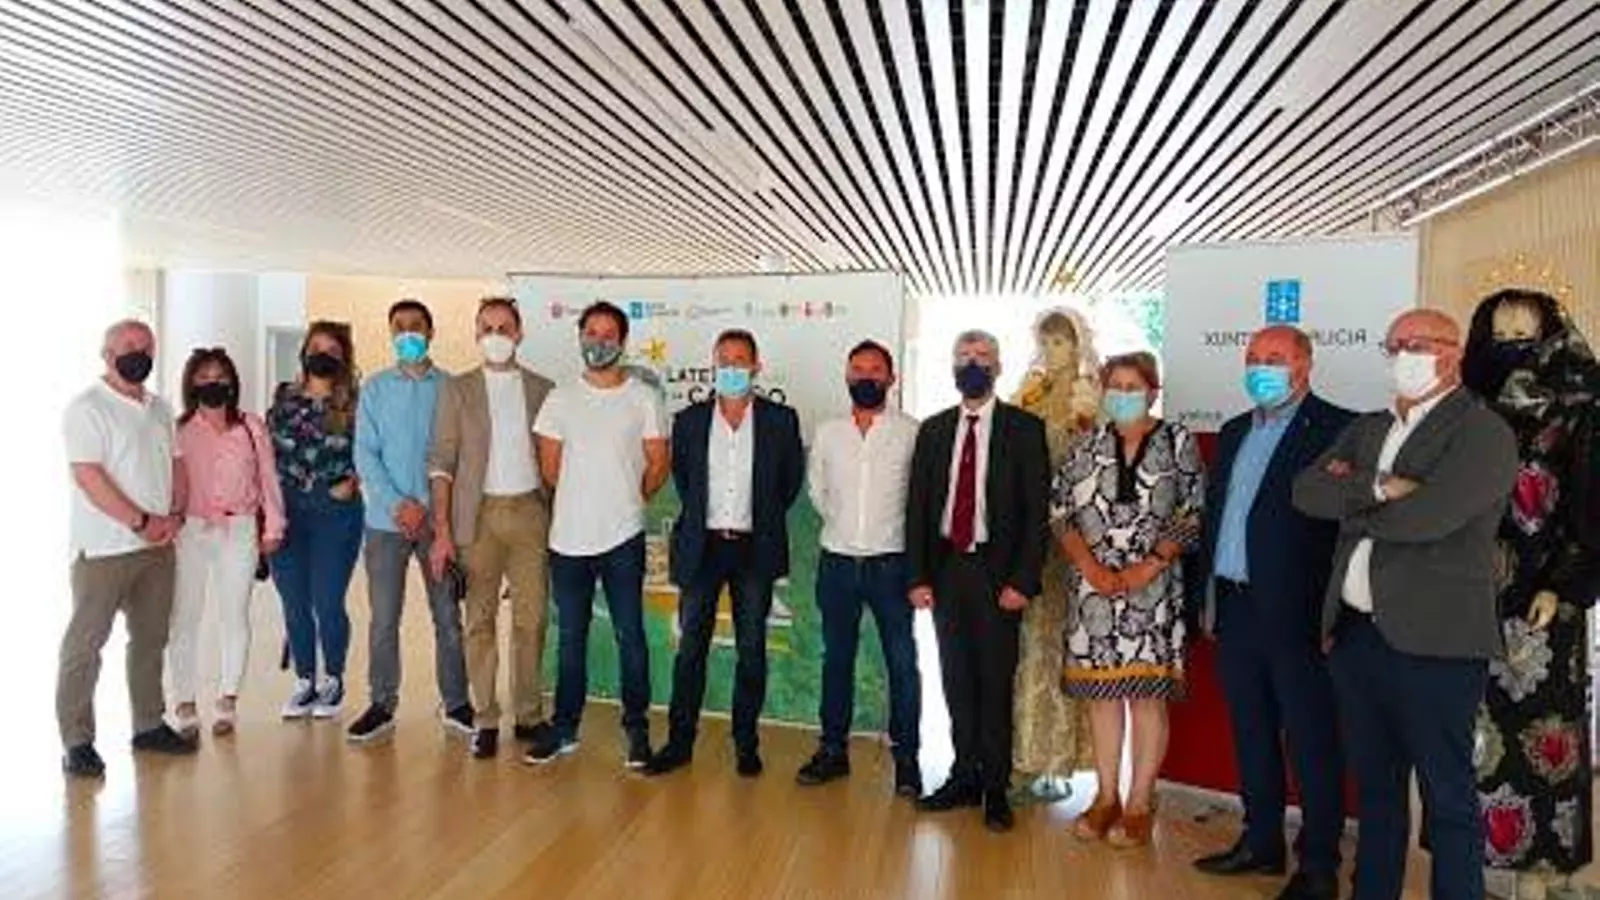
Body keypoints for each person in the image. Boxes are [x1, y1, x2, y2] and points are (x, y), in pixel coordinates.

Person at [1293, 308, 1517, 900]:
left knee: (1448, 798)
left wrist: (1354, 502)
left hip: (1437, 644)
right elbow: (1308, 492)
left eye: (1415, 344)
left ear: (1452, 353)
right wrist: (1379, 485)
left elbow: (1430, 519)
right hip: (1357, 637)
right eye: (1393, 346)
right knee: (1375, 793)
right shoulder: (1369, 428)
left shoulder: (1482, 432)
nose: (1401, 356)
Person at [1192, 327, 1353, 900]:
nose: (1262, 368)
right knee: (1251, 731)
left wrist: (1336, 615)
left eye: (1276, 359)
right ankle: (1261, 841)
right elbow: (1218, 518)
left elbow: (1349, 530)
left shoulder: (1340, 429)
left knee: (1311, 740)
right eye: (1254, 358)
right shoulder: (1235, 430)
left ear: (1305, 365)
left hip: (1299, 614)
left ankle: (1318, 864)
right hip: (1235, 605)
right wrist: (1207, 598)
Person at [1460, 290, 1600, 898]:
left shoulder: (1580, 406)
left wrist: (1564, 583)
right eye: (1500, 334)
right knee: (1477, 735)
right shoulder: (1467, 404)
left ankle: (1547, 872)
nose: (1512, 346)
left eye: (1525, 334)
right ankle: (1480, 867)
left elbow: (1591, 504)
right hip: (1471, 594)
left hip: (1547, 595)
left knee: (1548, 737)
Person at [1056, 352, 1203, 849]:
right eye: (1114, 386)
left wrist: (1149, 565)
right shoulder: (1083, 444)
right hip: (1092, 589)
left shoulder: (1178, 440)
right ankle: (1105, 797)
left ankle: (1139, 803)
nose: (1122, 394)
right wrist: (1091, 567)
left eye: (1132, 386)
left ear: (1153, 391)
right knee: (1101, 698)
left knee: (1145, 698)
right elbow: (1060, 513)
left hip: (1153, 590)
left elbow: (1192, 512)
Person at [906, 329, 1050, 833]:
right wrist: (917, 575)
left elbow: (1037, 514)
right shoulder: (933, 430)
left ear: (998, 367)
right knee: (955, 679)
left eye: (983, 356)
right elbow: (918, 508)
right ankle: (962, 775)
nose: (973, 364)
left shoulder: (1024, 429)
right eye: (964, 356)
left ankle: (995, 787)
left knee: (994, 682)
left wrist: (1023, 581)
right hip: (947, 570)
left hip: (999, 575)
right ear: (951, 366)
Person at [645, 329, 803, 778]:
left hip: (755, 549)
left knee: (751, 650)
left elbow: (788, 484)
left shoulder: (781, 420)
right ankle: (679, 742)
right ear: (713, 366)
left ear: (756, 366)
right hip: (703, 548)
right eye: (724, 360)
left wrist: (757, 519)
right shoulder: (690, 421)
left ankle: (746, 743)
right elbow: (686, 483)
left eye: (740, 360)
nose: (732, 368)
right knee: (690, 649)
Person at [527, 301, 670, 768]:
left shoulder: (643, 397)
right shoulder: (560, 398)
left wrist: (629, 497)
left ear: (623, 342)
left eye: (609, 335)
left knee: (631, 636)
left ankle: (637, 731)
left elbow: (658, 464)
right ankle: (565, 728)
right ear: (580, 337)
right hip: (568, 540)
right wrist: (584, 498)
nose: (599, 342)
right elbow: (551, 470)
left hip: (623, 537)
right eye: (591, 332)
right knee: (571, 638)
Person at [59, 320, 198, 776]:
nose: (139, 353)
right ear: (107, 353)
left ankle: (148, 724)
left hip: (158, 549)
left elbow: (177, 464)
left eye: (146, 347)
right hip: (104, 550)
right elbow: (89, 476)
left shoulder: (159, 408)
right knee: (86, 645)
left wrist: (175, 514)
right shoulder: (87, 408)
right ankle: (77, 741)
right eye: (129, 345)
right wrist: (140, 521)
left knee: (151, 639)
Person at [427, 297, 555, 760]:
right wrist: (443, 530)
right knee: (478, 620)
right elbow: (442, 462)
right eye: (487, 327)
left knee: (531, 619)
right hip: (476, 518)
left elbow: (554, 458)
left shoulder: (542, 389)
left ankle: (529, 713)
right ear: (476, 334)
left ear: (519, 333)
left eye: (504, 327)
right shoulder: (457, 389)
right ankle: (484, 717)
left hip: (530, 513)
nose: (496, 335)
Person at [794, 340, 922, 797]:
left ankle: (907, 759)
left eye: (875, 370)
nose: (866, 377)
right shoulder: (828, 432)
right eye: (858, 369)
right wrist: (846, 526)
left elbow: (920, 499)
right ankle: (833, 750)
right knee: (836, 660)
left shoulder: (911, 432)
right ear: (847, 376)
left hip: (892, 564)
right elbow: (817, 490)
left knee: (902, 662)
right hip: (838, 563)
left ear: (891, 378)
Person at [348, 299, 471, 743]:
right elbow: (365, 454)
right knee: (384, 619)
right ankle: (382, 703)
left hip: (439, 525)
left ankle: (456, 702)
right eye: (399, 327)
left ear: (431, 332)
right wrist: (399, 504)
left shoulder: (452, 388)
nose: (407, 334)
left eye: (415, 326)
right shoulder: (376, 389)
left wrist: (430, 510)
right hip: (387, 523)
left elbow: (459, 452)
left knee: (447, 616)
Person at [165, 347, 287, 739]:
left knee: (234, 615)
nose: (212, 383)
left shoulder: (251, 427)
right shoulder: (179, 429)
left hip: (240, 529)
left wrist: (274, 527)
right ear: (191, 384)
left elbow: (268, 478)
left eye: (219, 376)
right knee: (185, 616)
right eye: (203, 377)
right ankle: (184, 702)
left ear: (232, 382)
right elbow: (169, 482)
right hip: (191, 530)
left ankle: (227, 699)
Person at [1009, 308, 1099, 805]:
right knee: (1027, 648)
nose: (1052, 352)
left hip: (1074, 540)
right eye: (1046, 342)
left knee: (1066, 645)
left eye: (1061, 342)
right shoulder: (1029, 393)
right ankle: (1022, 755)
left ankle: (1059, 760)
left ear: (1079, 344)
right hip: (1027, 538)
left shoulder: (1091, 395)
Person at [267, 321, 364, 721]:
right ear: (304, 353)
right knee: (294, 602)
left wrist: (354, 480)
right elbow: (265, 456)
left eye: (332, 351)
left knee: (327, 601)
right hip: (287, 510)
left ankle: (334, 678)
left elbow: (374, 450)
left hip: (335, 512)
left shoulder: (356, 405)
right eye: (315, 348)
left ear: (343, 359)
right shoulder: (283, 400)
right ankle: (304, 679)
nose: (322, 356)